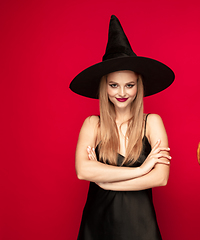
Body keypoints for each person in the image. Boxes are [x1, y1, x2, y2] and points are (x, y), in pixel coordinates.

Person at [69, 15, 175, 240]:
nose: (122, 93)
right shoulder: (93, 124)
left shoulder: (152, 122)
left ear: (139, 87)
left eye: (129, 85)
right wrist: (140, 170)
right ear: (104, 88)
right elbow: (83, 171)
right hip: (98, 223)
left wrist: (106, 181)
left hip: (140, 223)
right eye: (114, 85)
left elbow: (160, 178)